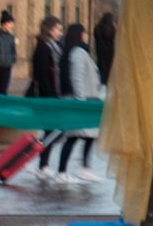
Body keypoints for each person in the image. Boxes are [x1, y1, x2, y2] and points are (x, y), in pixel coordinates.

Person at [56, 23, 101, 181]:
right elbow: (77, 77)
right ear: (80, 34)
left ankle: (82, 167)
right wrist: (80, 100)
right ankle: (64, 171)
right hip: (82, 101)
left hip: (86, 99)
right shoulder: (78, 53)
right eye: (85, 33)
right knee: (74, 136)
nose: (87, 36)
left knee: (85, 135)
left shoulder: (78, 52)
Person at [29, 15, 65, 184]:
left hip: (52, 96)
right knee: (54, 130)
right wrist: (51, 98)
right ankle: (41, 165)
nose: (61, 32)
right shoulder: (43, 48)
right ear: (49, 30)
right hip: (46, 98)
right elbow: (42, 76)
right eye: (58, 29)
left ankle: (42, 165)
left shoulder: (54, 48)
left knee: (53, 130)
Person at [92, 11, 116, 87]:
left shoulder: (97, 29)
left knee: (101, 71)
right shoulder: (112, 30)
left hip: (100, 53)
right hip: (110, 54)